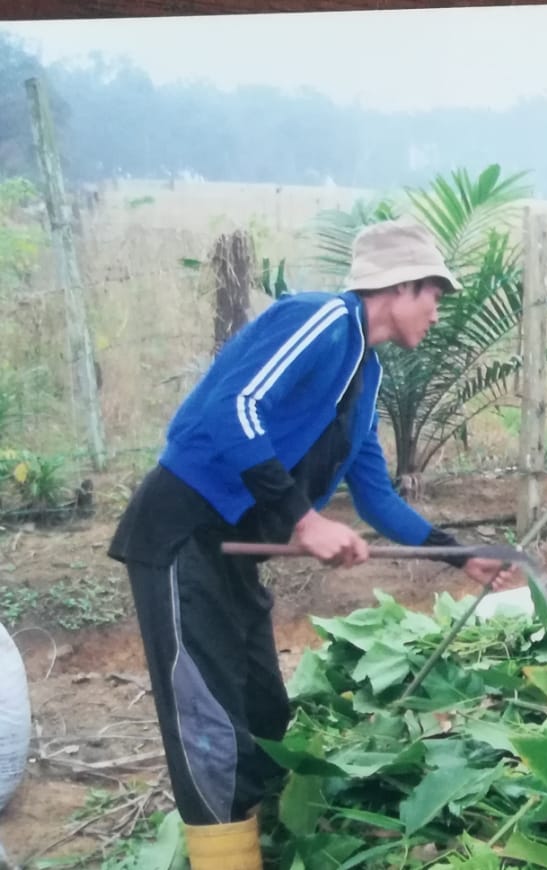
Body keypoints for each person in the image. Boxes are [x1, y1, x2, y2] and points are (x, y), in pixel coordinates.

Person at [107, 218, 520, 867]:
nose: (438, 315)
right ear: (401, 287)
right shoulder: (323, 321)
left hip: (234, 556)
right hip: (184, 535)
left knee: (265, 713)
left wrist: (456, 552)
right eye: (435, 297)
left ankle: (265, 844)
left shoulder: (366, 379)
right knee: (210, 727)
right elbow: (233, 408)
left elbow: (376, 496)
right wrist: (304, 520)